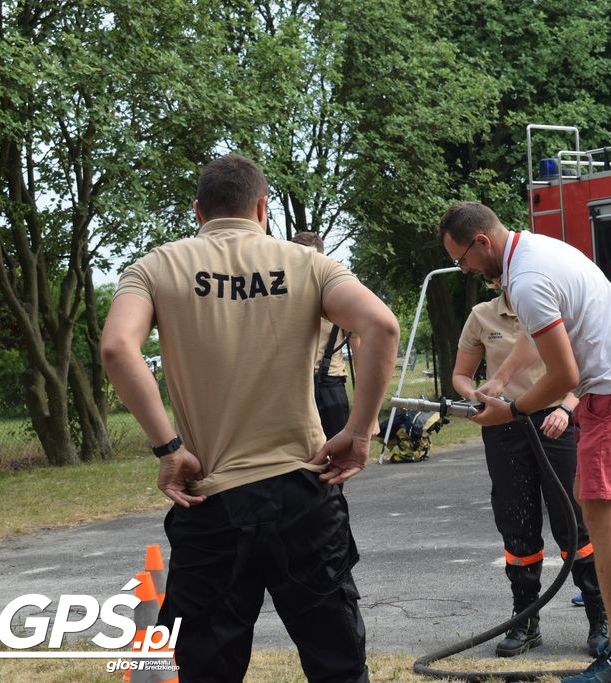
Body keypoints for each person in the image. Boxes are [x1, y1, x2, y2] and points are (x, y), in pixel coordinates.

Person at [101, 154, 399, 683]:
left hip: (210, 498)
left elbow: (118, 349)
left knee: (207, 669)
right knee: (338, 664)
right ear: (262, 207)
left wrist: (169, 449)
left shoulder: (154, 267)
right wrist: (357, 430)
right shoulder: (309, 264)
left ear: (198, 212)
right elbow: (380, 325)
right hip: (304, 494)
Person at [439, 202, 611, 683]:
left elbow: (564, 373)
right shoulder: (533, 254)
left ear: (481, 242)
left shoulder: (524, 279)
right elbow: (540, 334)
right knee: (610, 513)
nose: (463, 269)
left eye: (462, 258)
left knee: (599, 515)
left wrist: (511, 410)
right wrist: (499, 382)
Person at [453, 287, 606, 658]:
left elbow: (581, 371)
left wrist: (567, 409)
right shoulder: (481, 315)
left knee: (574, 523)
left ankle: (600, 619)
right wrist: (477, 400)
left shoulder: (551, 306)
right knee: (516, 522)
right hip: (504, 426)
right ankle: (525, 620)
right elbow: (461, 374)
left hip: (554, 422)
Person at [291, 231, 363, 440]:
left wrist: (367, 413)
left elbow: (359, 350)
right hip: (294, 387)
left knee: (337, 457)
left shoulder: (337, 295)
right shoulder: (282, 296)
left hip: (330, 385)